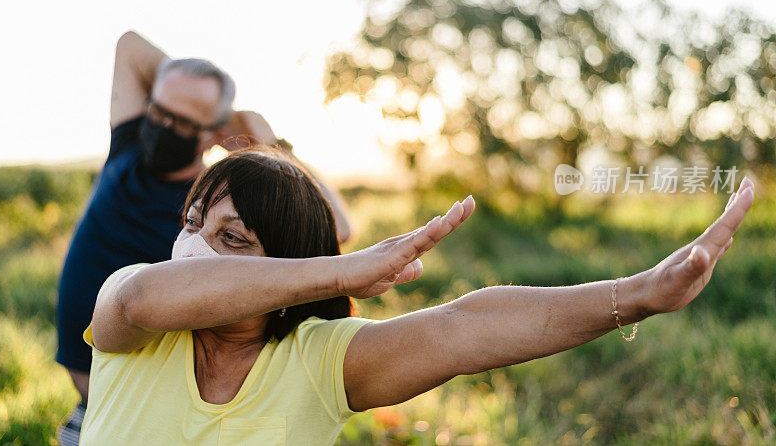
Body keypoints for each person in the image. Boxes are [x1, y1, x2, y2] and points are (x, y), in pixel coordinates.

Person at [78, 150, 755, 445]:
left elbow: (463, 329)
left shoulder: (318, 360)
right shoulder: (131, 316)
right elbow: (144, 297)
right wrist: (344, 273)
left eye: (232, 235)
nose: (193, 247)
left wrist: (637, 295)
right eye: (192, 225)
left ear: (287, 265)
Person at [55, 32, 352, 445]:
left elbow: (336, 227)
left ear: (214, 133)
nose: (162, 127)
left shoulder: (211, 209)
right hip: (92, 410)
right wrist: (186, 87)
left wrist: (272, 144)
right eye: (158, 111)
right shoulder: (127, 147)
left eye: (182, 122)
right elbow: (129, 47)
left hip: (155, 414)